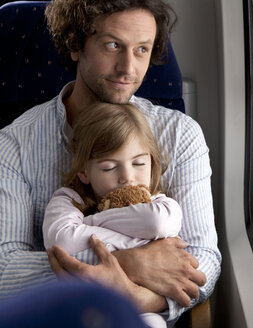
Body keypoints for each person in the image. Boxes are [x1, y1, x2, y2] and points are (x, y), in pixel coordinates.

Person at [0, 0, 221, 326]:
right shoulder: (13, 144)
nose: (128, 68)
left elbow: (205, 260)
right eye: (113, 45)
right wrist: (130, 263)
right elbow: (5, 270)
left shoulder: (180, 135)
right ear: (76, 45)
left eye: (142, 49)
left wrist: (138, 299)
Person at [43, 102, 183, 328]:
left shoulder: (156, 202)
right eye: (109, 167)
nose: (127, 177)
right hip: (82, 308)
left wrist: (92, 222)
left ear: (151, 161)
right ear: (84, 171)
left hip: (141, 308)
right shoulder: (69, 200)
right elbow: (63, 241)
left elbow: (158, 223)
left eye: (139, 163)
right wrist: (138, 248)